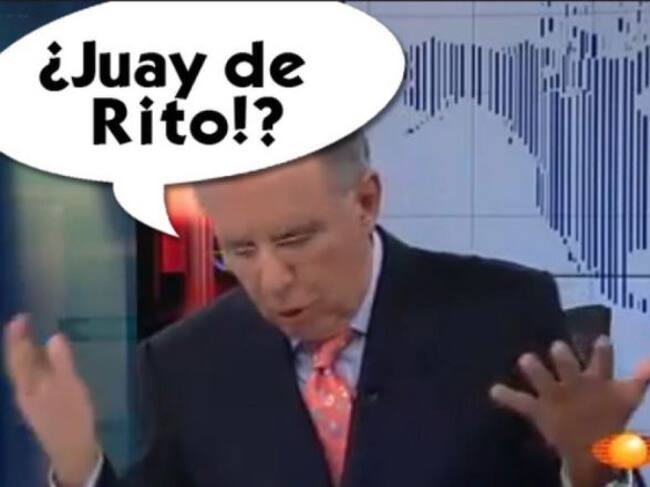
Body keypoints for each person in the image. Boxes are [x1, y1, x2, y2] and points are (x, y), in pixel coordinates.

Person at [4, 131, 650, 487]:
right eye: (240, 250)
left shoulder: (502, 312)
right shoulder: (183, 362)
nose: (272, 279)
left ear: (366, 201)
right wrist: (79, 465)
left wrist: (590, 467)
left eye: (295, 239)